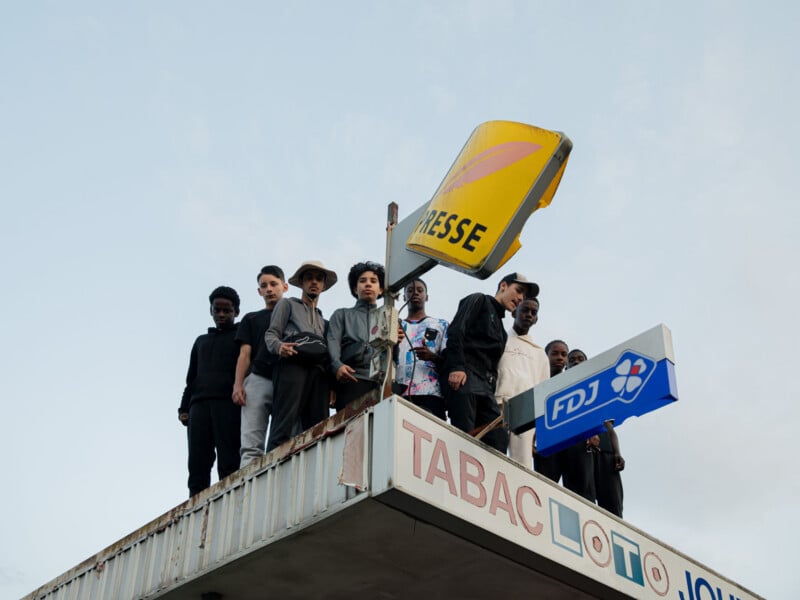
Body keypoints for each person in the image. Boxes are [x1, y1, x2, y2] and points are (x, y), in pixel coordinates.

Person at [443, 272, 539, 453]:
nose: (520, 298)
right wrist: (457, 367)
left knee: (498, 438)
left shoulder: (502, 332)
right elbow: (456, 331)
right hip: (466, 378)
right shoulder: (479, 300)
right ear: (503, 286)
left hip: (486, 388)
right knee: (463, 437)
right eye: (518, 291)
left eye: (523, 296)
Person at [265, 260, 337, 451]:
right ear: (302, 282)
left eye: (319, 279)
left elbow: (329, 354)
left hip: (318, 371)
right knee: (283, 421)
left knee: (318, 425)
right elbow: (271, 334)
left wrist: (331, 385)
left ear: (323, 285)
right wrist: (280, 347)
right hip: (292, 363)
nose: (314, 282)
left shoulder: (324, 320)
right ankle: (272, 467)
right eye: (309, 278)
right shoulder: (287, 305)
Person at [179, 286, 242, 497]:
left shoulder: (240, 338)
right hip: (198, 405)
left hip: (227, 404)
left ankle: (230, 500)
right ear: (211, 311)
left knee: (229, 457)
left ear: (236, 312)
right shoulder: (201, 341)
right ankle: (195, 503)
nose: (222, 315)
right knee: (198, 460)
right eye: (217, 310)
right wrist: (184, 407)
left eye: (227, 310)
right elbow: (191, 378)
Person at [233, 265, 288, 468]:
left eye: (273, 284)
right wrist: (238, 385)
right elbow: (244, 354)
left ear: (285, 286)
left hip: (286, 380)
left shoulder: (294, 314)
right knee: (251, 444)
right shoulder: (251, 318)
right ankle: (248, 493)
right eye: (264, 286)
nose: (269, 289)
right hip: (258, 378)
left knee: (285, 439)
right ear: (259, 291)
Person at [494, 296, 549, 468]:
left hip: (525, 412)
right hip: (498, 404)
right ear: (514, 312)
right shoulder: (500, 338)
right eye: (525, 310)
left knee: (522, 462)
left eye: (533, 312)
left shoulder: (539, 353)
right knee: (493, 453)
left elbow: (543, 389)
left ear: (536, 319)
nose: (529, 315)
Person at [328, 261, 389, 411]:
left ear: (381, 289)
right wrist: (337, 366)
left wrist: (398, 341)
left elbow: (393, 356)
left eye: (373, 281)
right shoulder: (342, 314)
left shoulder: (388, 317)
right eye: (363, 281)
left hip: (381, 382)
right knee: (351, 430)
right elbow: (332, 342)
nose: (368, 284)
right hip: (352, 379)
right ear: (355, 288)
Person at [394, 279, 449, 420]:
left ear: (427, 296)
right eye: (410, 290)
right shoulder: (394, 325)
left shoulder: (441, 324)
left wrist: (432, 357)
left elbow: (450, 361)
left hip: (431, 394)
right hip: (399, 393)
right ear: (404, 296)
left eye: (420, 290)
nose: (415, 293)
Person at [533, 340, 569, 482]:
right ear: (545, 356)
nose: (560, 357)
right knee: (544, 483)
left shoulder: (571, 382)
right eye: (555, 353)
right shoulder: (537, 382)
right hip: (546, 442)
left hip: (568, 442)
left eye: (563, 354)